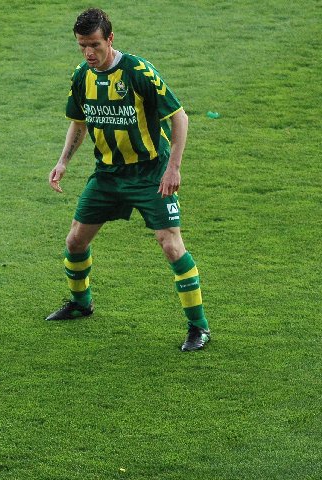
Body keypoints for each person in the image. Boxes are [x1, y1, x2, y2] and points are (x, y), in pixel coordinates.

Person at [46, 8, 210, 352]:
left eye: (94, 44)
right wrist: (62, 163)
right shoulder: (82, 76)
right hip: (108, 175)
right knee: (75, 241)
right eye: (82, 46)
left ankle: (199, 328)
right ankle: (81, 303)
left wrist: (174, 168)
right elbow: (78, 122)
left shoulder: (137, 72)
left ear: (110, 38)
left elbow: (179, 119)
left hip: (151, 173)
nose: (89, 53)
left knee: (170, 245)